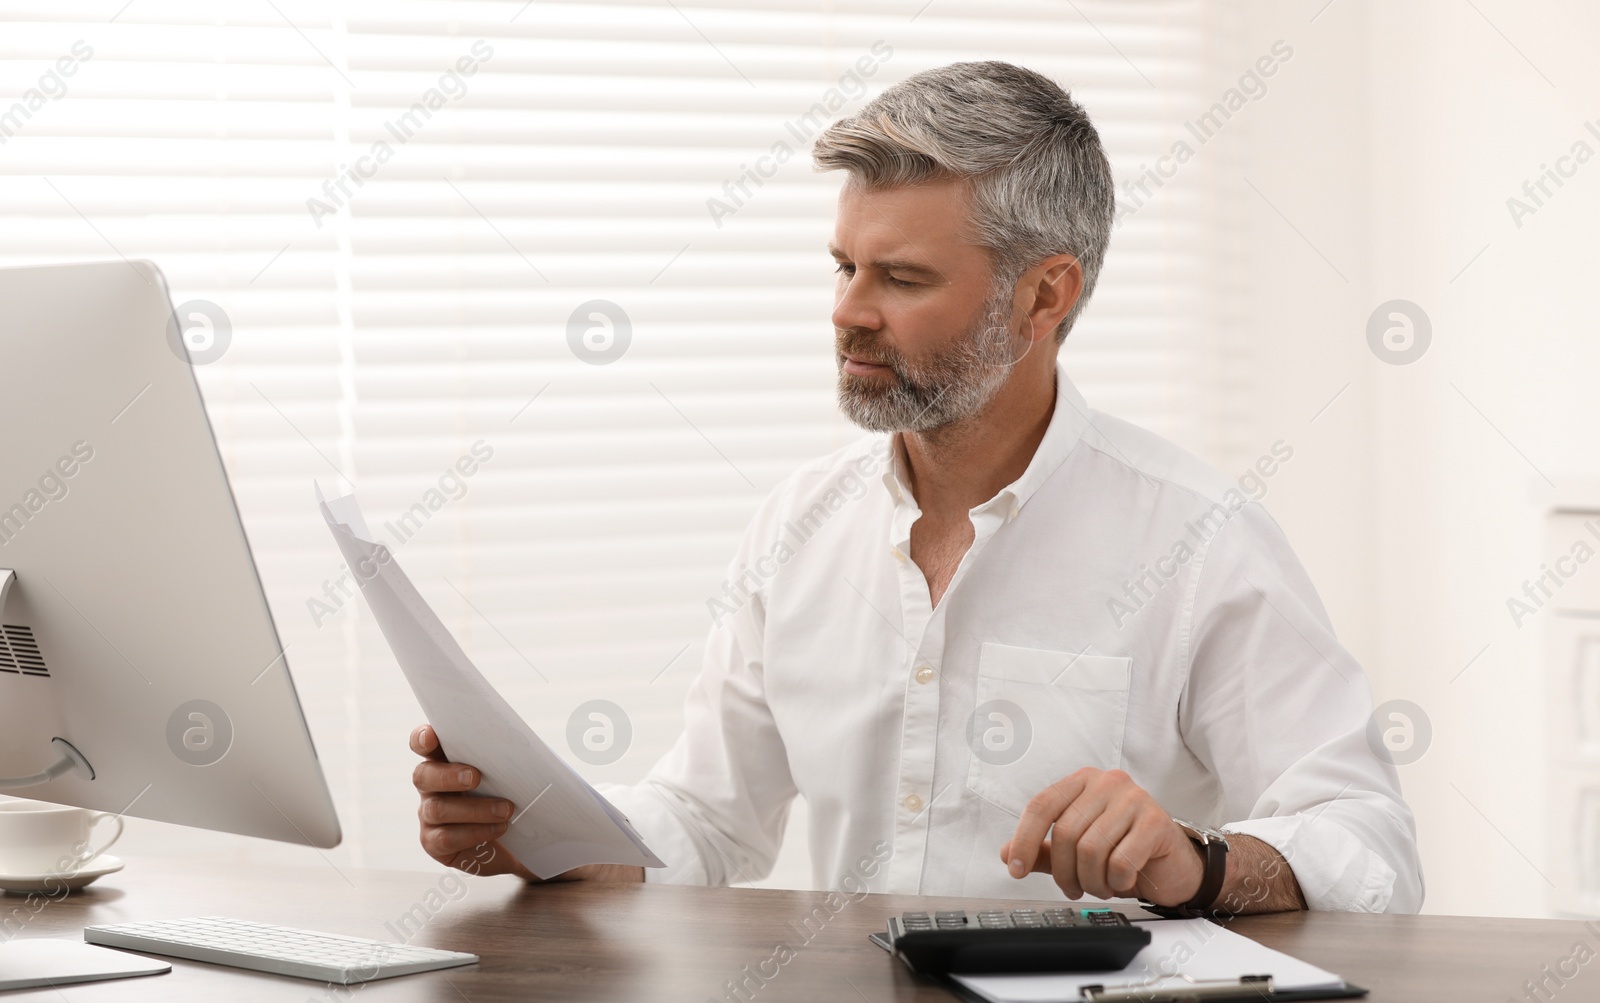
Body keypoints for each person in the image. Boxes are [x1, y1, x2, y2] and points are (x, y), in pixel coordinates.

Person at [411, 60, 1422, 915]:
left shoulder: (1199, 538)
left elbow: (1370, 848)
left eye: (900, 278)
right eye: (843, 266)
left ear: (1042, 294)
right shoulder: (797, 525)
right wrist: (545, 831)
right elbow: (711, 817)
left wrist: (1191, 860)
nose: (848, 311)